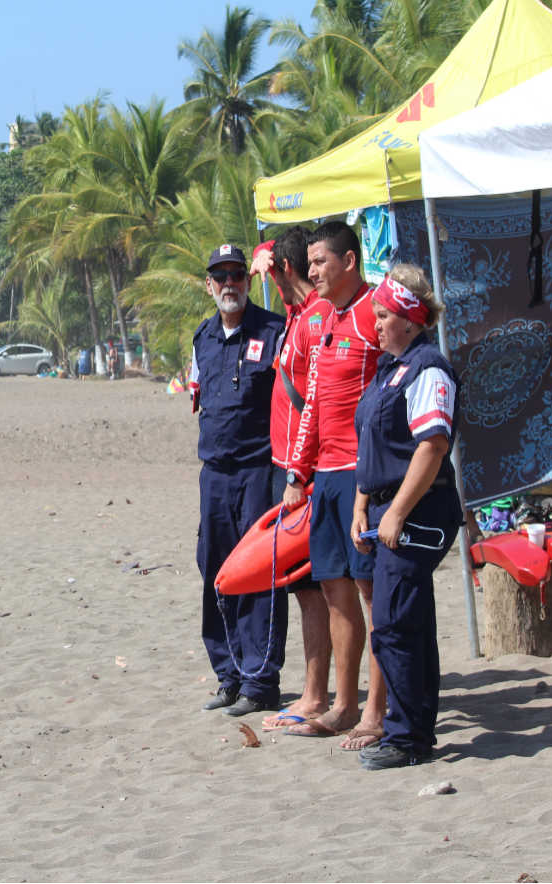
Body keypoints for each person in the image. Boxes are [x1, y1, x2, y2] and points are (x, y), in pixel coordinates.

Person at [350, 265, 462, 770]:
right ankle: (410, 728)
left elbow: (432, 447)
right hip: (384, 506)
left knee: (395, 620)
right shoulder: (386, 369)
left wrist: (395, 511)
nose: (375, 323)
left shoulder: (428, 368)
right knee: (405, 619)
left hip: (419, 507)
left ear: (412, 320)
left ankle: (407, 736)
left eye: (384, 314)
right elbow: (371, 445)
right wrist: (361, 505)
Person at [281, 221, 387, 750]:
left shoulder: (376, 314)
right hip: (327, 476)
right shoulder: (325, 320)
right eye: (311, 262)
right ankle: (344, 704)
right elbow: (314, 405)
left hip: (366, 478)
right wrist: (297, 473)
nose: (312, 270)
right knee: (335, 591)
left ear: (350, 262)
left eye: (320, 261)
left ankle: (375, 711)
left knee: (373, 594)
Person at [192, 243, 288, 717]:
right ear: (208, 284)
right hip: (214, 476)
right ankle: (228, 676)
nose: (229, 283)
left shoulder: (273, 331)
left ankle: (260, 681)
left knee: (258, 575)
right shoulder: (202, 338)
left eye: (236, 274)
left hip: (258, 474)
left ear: (247, 282)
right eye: (220, 276)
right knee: (214, 572)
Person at [249, 230, 334, 732]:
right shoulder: (298, 316)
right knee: (306, 588)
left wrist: (298, 474)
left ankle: (317, 694)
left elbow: (318, 401)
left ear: (284, 269)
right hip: (290, 466)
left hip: (308, 471)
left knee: (316, 589)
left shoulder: (317, 317)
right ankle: (315, 690)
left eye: (272, 272)